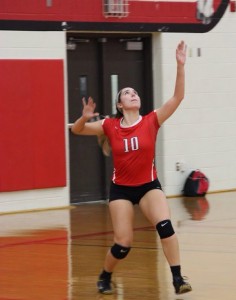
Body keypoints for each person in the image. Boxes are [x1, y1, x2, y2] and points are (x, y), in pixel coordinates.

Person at [71, 40, 192, 295]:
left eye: (134, 92)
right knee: (123, 244)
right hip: (122, 191)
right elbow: (78, 129)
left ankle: (178, 278)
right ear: (120, 105)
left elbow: (178, 97)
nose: (133, 94)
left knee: (165, 226)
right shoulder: (109, 126)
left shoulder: (151, 120)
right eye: (127, 93)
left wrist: (180, 65)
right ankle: (105, 275)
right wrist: (84, 116)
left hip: (149, 186)